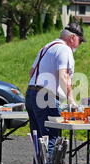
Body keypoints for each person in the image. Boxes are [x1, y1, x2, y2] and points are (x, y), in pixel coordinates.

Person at [26, 22, 85, 154]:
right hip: (46, 97)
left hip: (31, 93)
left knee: (38, 138)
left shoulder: (47, 47)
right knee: (51, 138)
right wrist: (71, 99)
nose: (79, 45)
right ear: (73, 38)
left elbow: (31, 73)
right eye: (80, 41)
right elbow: (63, 75)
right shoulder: (65, 49)